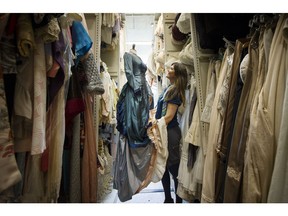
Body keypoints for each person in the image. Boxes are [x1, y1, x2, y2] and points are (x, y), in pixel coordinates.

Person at [155, 61, 188, 203]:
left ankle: (178, 200)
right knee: (163, 166)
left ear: (177, 74)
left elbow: (168, 117)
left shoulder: (175, 91)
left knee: (173, 167)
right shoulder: (169, 89)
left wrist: (154, 124)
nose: (168, 70)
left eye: (172, 68)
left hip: (170, 133)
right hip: (163, 131)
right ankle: (168, 198)